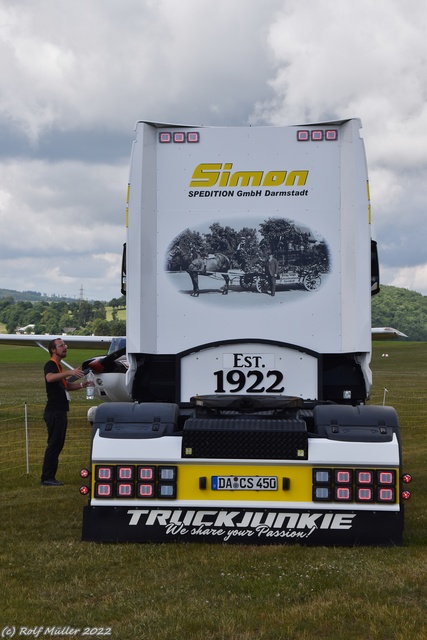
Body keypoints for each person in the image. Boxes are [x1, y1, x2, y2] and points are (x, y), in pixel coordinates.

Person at [40, 338, 88, 486]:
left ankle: (49, 476)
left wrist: (82, 385)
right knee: (54, 445)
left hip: (60, 411)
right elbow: (49, 378)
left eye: (65, 345)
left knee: (57, 444)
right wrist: (69, 372)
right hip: (54, 412)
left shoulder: (58, 367)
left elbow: (66, 386)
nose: (65, 347)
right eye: (61, 346)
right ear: (53, 350)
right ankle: (47, 478)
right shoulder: (50, 365)